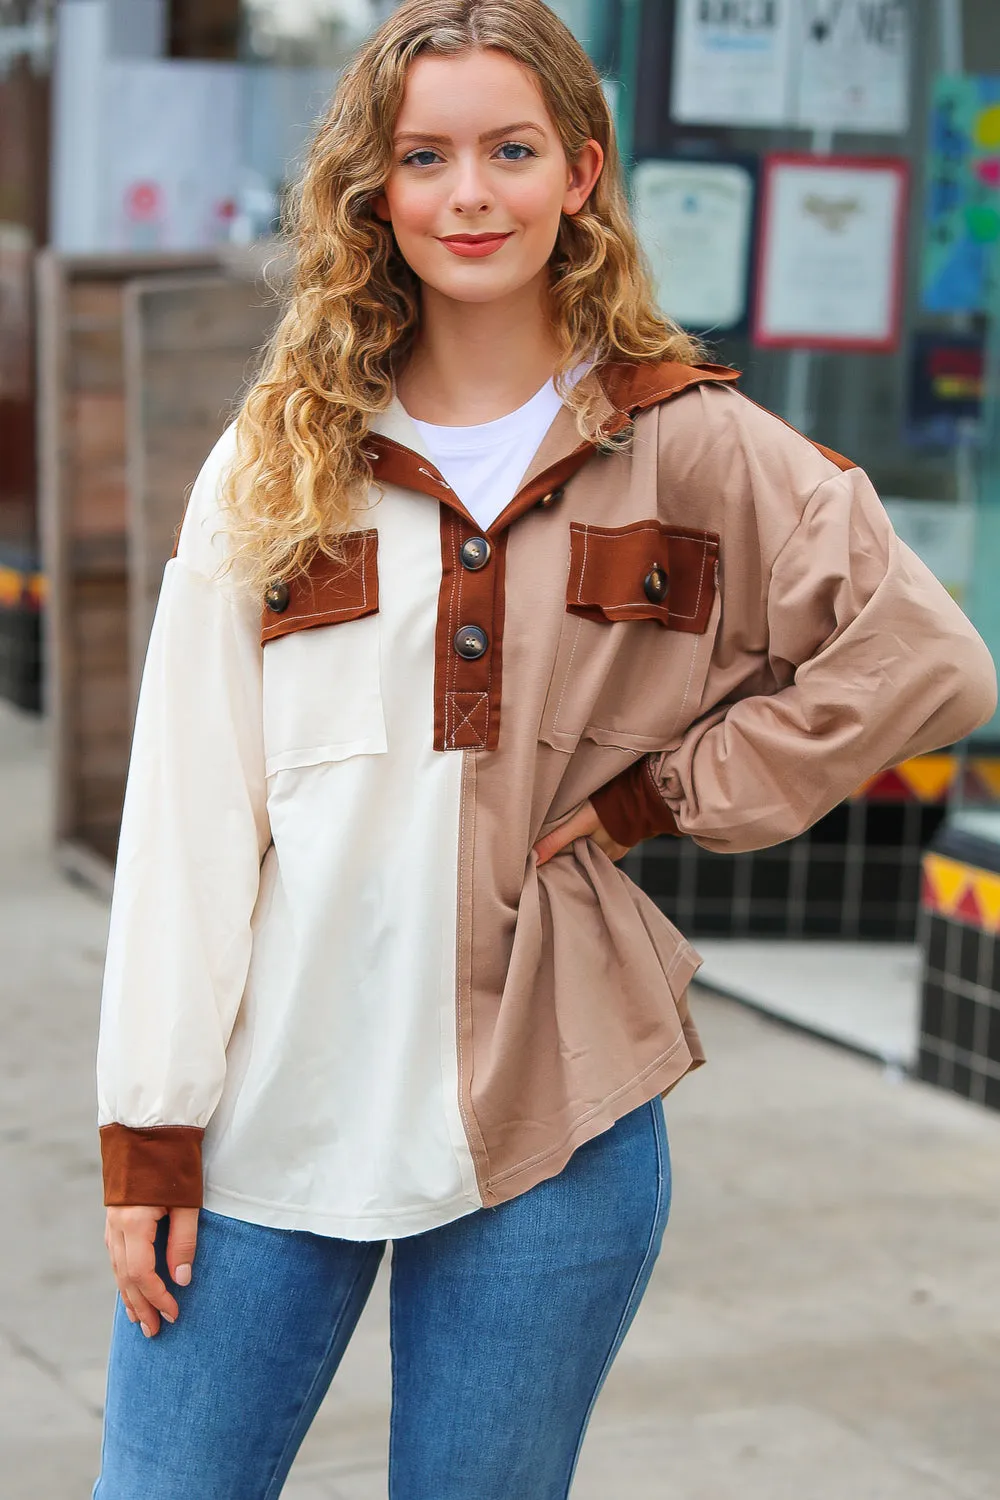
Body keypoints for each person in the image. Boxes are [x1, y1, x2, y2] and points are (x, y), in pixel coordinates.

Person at [92, 2, 997, 1496]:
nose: (470, 195)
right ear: (375, 188)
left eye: (511, 151)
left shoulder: (689, 442)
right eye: (425, 157)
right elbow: (187, 814)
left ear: (580, 172)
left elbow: (929, 662)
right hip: (268, 1114)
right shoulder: (281, 452)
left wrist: (665, 794)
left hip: (551, 1122)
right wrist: (151, 1126)